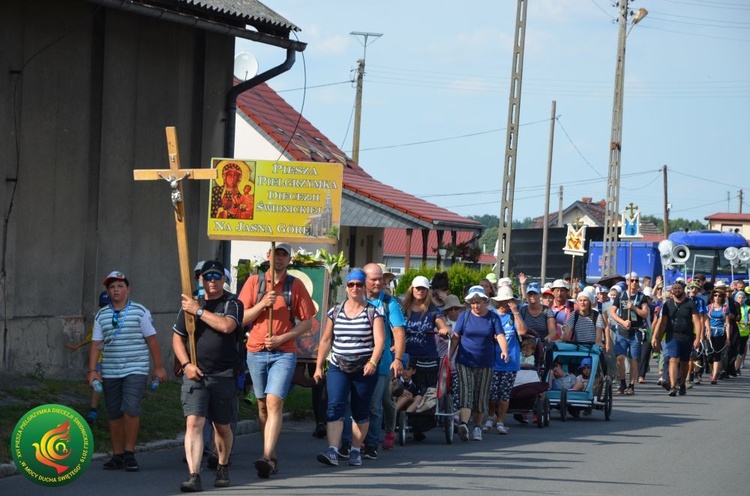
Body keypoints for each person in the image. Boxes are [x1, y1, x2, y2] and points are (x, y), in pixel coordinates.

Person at [237, 242, 317, 478]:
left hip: (284, 352)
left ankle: (265, 456)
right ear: (268, 256)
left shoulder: (295, 285)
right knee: (262, 405)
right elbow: (240, 319)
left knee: (274, 403)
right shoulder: (254, 282)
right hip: (256, 350)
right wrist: (263, 303)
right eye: (276, 254)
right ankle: (271, 456)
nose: (279, 259)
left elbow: (307, 322)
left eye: (284, 255)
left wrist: (283, 336)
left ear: (289, 260)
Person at [172, 261, 243, 492]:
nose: (212, 281)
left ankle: (222, 465)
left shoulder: (233, 303)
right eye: (207, 277)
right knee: (194, 422)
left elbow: (226, 327)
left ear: (224, 279)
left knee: (222, 427)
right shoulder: (190, 305)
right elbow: (177, 338)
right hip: (196, 375)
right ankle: (194, 474)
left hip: (223, 375)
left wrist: (199, 311)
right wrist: (186, 364)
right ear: (200, 280)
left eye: (216, 276)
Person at [88, 271, 168, 472]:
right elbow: (96, 343)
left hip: (135, 368)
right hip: (110, 370)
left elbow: (152, 340)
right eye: (112, 287)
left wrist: (158, 367)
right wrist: (92, 371)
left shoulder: (140, 312)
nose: (116, 290)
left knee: (131, 408)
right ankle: (117, 455)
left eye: (120, 286)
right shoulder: (101, 315)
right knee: (114, 412)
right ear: (108, 291)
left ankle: (130, 453)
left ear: (128, 290)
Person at [314, 269, 385, 467]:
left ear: (364, 287)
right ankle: (333, 450)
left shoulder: (373, 311)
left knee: (360, 409)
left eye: (359, 285)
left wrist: (372, 362)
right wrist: (319, 366)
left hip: (364, 368)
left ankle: (355, 449)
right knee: (335, 405)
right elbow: (326, 340)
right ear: (346, 287)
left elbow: (380, 341)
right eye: (351, 284)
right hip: (338, 364)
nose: (355, 288)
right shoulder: (335, 311)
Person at [339, 263, 406, 457]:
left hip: (381, 364)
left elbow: (399, 332)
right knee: (352, 404)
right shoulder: (351, 300)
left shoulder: (389, 303)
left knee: (374, 406)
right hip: (352, 362)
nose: (379, 282)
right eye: (374, 279)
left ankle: (371, 443)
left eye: (381, 279)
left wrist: (398, 358)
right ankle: (351, 441)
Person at [449, 286, 508, 442]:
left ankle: (477, 427)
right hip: (464, 360)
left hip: (485, 362)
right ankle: (463, 424)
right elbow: (456, 337)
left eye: (479, 302)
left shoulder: (492, 317)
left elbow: (500, 335)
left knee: (480, 395)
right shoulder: (464, 316)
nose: (476, 306)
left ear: (485, 301)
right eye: (473, 303)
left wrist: (504, 351)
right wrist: (449, 356)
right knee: (466, 392)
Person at [402, 274, 450, 440]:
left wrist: (444, 330)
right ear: (412, 289)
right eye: (417, 288)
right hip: (406, 356)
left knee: (425, 391)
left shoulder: (432, 310)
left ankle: (419, 425)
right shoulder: (403, 309)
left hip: (427, 357)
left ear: (427, 291)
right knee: (405, 389)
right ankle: (402, 420)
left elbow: (441, 324)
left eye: (423, 288)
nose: (420, 291)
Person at [650, 280, 701, 397]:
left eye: (679, 288)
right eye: (675, 288)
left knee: (684, 362)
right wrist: (657, 339)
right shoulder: (667, 305)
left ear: (683, 289)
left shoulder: (690, 304)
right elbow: (662, 323)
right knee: (673, 359)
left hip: (687, 336)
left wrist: (698, 338)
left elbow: (697, 321)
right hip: (672, 336)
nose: (677, 290)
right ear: (672, 291)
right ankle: (673, 386)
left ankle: (682, 384)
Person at [487, 285, 526, 435]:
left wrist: (516, 312)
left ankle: (501, 421)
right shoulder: (492, 316)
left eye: (509, 300)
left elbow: (522, 331)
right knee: (492, 393)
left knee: (504, 393)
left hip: (511, 361)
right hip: (492, 360)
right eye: (503, 300)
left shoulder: (513, 316)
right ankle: (490, 417)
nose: (505, 303)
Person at [67, 290, 110, 424]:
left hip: (115, 359)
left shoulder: (121, 319)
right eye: (102, 306)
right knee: (96, 384)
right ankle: (93, 410)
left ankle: (117, 411)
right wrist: (77, 345)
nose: (105, 309)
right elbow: (91, 337)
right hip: (100, 359)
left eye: (107, 305)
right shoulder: (99, 320)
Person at [609, 272, 649, 396]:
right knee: (620, 358)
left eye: (636, 281)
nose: (634, 283)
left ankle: (631, 385)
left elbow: (645, 314)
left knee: (633, 360)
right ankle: (622, 382)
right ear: (627, 282)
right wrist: (622, 322)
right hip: (622, 331)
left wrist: (634, 308)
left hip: (635, 332)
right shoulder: (621, 296)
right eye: (632, 281)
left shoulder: (641, 297)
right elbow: (612, 312)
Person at [705, 287, 732, 384]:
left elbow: (727, 324)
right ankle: (713, 371)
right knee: (709, 356)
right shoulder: (709, 308)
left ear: (722, 298)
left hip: (720, 333)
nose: (717, 297)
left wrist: (728, 338)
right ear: (713, 297)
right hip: (710, 333)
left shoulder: (725, 309)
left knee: (717, 355)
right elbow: (706, 319)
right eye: (715, 295)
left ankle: (715, 376)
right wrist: (708, 330)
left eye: (719, 296)